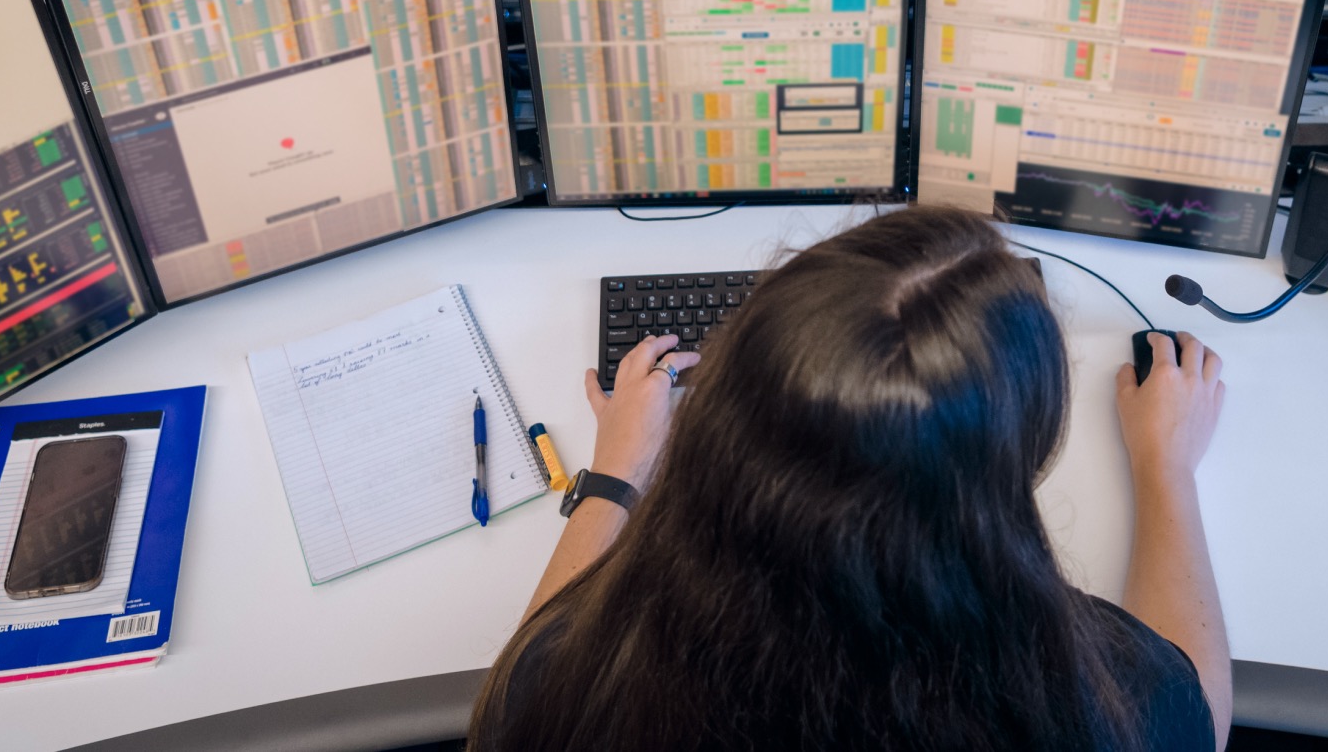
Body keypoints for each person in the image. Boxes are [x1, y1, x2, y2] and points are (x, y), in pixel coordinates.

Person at [469, 205, 1230, 751]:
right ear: (1017, 458)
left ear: (730, 418)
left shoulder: (573, 683)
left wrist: (613, 478)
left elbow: (527, 668)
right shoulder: (1120, 697)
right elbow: (1200, 717)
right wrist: (1168, 472)